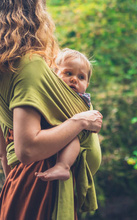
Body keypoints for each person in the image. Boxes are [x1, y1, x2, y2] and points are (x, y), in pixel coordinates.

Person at [0, 0, 102, 220]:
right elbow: (27, 148)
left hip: (20, 184)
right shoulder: (29, 66)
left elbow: (3, 150)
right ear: (35, 7)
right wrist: (81, 121)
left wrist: (16, 186)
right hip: (43, 189)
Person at [35, 48, 93, 182]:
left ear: (87, 84)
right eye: (68, 73)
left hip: (68, 135)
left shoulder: (82, 100)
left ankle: (63, 166)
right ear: (54, 75)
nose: (74, 79)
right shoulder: (53, 91)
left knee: (73, 139)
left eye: (81, 77)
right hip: (48, 137)